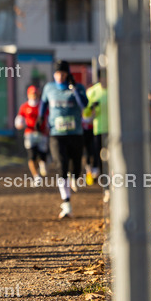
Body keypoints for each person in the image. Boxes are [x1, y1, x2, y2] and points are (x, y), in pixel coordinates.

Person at [38, 61, 88, 219]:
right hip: (56, 134)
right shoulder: (49, 88)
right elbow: (44, 103)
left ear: (68, 74)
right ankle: (66, 203)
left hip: (75, 133)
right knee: (61, 164)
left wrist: (74, 89)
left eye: (63, 74)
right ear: (54, 74)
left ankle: (75, 177)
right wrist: (40, 117)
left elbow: (84, 105)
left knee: (76, 166)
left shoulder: (77, 87)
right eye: (57, 73)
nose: (60, 76)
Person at [14, 85, 48, 185]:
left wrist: (48, 127)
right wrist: (19, 123)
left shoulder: (43, 105)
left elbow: (48, 116)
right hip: (30, 134)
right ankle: (36, 176)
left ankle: (42, 164)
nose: (34, 95)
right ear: (28, 94)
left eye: (35, 93)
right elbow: (20, 118)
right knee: (31, 156)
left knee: (42, 155)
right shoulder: (24, 106)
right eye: (32, 93)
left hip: (42, 134)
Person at [84, 69, 108, 200]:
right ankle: (102, 183)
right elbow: (86, 114)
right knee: (97, 156)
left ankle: (111, 183)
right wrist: (91, 107)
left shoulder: (115, 89)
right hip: (98, 129)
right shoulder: (92, 92)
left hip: (113, 130)